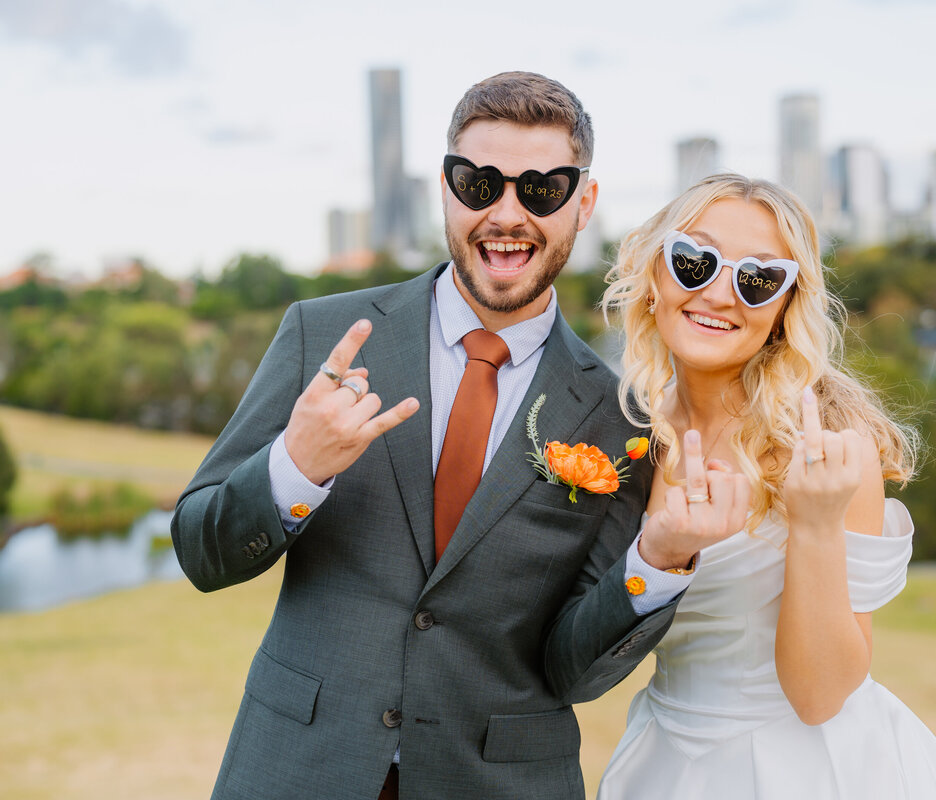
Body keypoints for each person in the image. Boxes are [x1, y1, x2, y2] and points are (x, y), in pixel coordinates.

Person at [171, 72, 709, 800]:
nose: (507, 214)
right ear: (447, 192)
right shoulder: (322, 336)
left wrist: (663, 558)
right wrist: (293, 469)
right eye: (479, 184)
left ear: (583, 203)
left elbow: (576, 672)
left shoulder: (624, 416)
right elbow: (204, 554)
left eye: (541, 189)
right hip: (299, 769)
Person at [596, 174, 936, 798]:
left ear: (784, 306)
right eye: (696, 261)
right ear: (655, 272)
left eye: (758, 278)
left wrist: (817, 523)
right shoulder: (630, 435)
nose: (719, 294)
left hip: (811, 772)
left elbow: (820, 695)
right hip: (662, 762)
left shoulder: (827, 442)